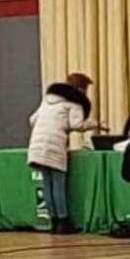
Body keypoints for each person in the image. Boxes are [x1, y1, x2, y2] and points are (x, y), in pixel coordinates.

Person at [27, 71, 97, 235]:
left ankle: (54, 222)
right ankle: (63, 221)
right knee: (58, 184)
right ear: (81, 89)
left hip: (36, 145)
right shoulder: (74, 103)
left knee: (47, 184)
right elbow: (76, 124)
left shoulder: (48, 100)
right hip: (54, 146)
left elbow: (32, 119)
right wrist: (94, 124)